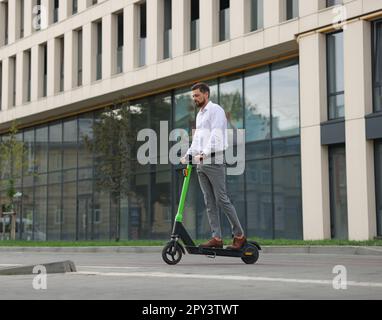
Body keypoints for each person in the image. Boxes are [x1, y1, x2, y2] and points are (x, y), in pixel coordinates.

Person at [181, 83, 246, 250]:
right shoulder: (200, 115)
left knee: (221, 199)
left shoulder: (215, 110)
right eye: (193, 96)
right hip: (201, 163)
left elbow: (216, 135)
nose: (194, 99)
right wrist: (189, 154)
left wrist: (204, 153)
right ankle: (216, 237)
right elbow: (197, 140)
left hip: (214, 160)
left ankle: (239, 235)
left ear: (206, 94)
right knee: (209, 201)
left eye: (197, 95)